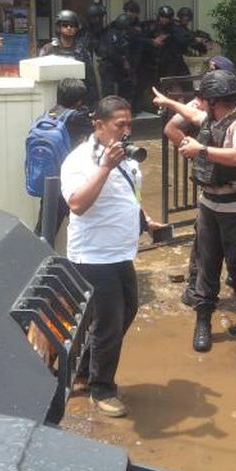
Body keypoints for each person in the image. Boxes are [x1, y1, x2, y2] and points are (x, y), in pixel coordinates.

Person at [60, 95, 162, 417]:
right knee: (109, 322)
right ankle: (101, 389)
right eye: (120, 125)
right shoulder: (79, 161)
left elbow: (129, 195)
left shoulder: (127, 158)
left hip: (121, 253)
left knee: (127, 310)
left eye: (129, 124)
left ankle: (85, 368)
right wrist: (105, 166)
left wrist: (145, 221)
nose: (127, 131)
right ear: (99, 125)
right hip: (92, 256)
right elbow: (77, 204)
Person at [153, 70, 236, 352]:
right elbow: (189, 117)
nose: (198, 103)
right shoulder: (212, 119)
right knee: (207, 263)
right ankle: (203, 321)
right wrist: (169, 103)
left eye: (202, 98)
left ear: (214, 101)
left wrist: (200, 150)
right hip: (209, 204)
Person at [32, 78, 92, 236]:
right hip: (67, 181)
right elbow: (95, 130)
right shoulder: (76, 118)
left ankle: (33, 257)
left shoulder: (49, 114)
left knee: (44, 229)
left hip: (48, 177)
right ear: (78, 101)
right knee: (87, 226)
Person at [39, 10, 98, 106]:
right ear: (59, 28)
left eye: (72, 25)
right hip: (52, 97)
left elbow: (91, 80)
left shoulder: (82, 51)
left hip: (77, 100)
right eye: (65, 25)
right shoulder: (48, 49)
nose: (69, 28)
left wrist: (93, 104)